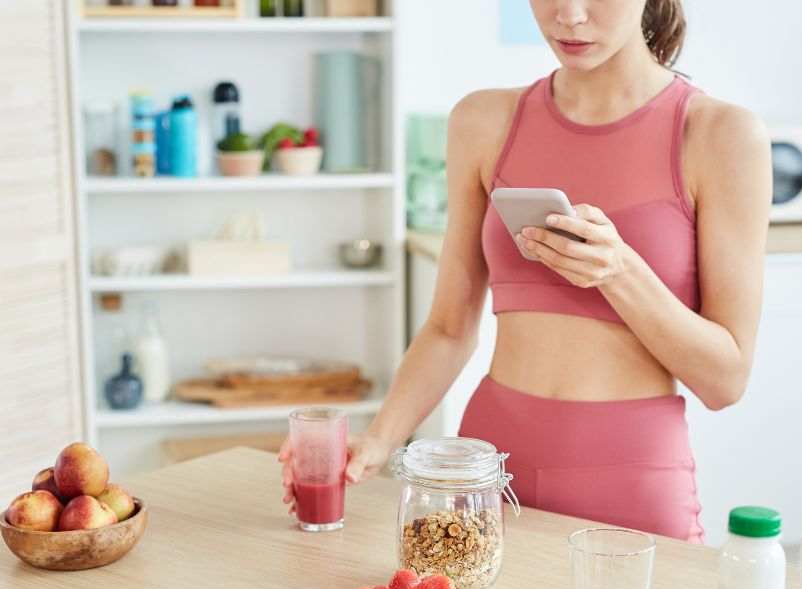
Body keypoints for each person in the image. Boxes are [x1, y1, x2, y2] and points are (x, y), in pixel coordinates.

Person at [282, 0, 770, 543]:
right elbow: (448, 328)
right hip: (485, 466)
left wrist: (619, 271)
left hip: (630, 473)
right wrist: (379, 440)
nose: (570, 15)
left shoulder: (720, 134)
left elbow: (726, 380)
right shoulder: (484, 121)